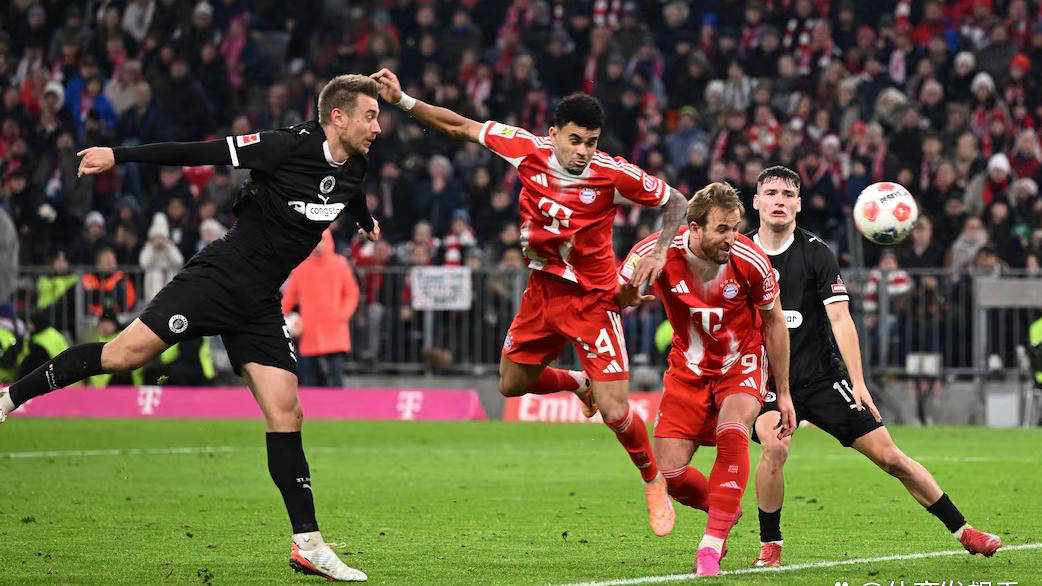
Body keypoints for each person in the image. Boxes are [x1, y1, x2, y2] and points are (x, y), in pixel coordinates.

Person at [0, 73, 383, 582]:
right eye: (370, 116)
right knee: (123, 356)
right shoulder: (284, 147)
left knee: (287, 412)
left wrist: (364, 220)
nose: (378, 127)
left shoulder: (356, 166)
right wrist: (118, 155)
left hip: (259, 302)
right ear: (338, 117)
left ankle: (308, 545)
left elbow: (347, 192)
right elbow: (198, 152)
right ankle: (9, 399)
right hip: (218, 278)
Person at [370, 68, 689, 535]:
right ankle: (576, 382)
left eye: (591, 142)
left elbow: (676, 201)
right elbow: (459, 125)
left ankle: (652, 480)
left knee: (616, 411)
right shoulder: (525, 148)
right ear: (554, 134)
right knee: (511, 384)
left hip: (593, 299)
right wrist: (402, 100)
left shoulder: (613, 173)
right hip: (542, 292)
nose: (583, 151)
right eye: (575, 140)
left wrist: (660, 251)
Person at [746, 166, 1003, 568]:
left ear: (798, 204)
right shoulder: (740, 253)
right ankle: (770, 545)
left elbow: (841, 319)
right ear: (756, 201)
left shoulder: (816, 253)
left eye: (788, 194)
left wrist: (858, 382)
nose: (779, 201)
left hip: (822, 378)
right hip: (765, 382)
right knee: (775, 448)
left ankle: (963, 529)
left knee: (891, 458)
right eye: (771, 193)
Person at [616, 182, 796, 577]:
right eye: (722, 229)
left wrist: (783, 392)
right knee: (669, 475)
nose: (732, 238)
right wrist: (626, 294)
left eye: (736, 228)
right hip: (688, 370)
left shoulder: (751, 260)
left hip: (740, 362)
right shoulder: (656, 253)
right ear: (694, 228)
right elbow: (612, 297)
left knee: (733, 431)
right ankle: (723, 510)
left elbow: (775, 322)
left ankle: (711, 546)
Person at [281, 229, 360, 387]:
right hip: (311, 331)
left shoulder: (340, 264)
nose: (318, 244)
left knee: (335, 379)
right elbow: (289, 299)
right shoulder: (301, 267)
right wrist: (276, 318)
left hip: (334, 329)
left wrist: (342, 315)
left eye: (321, 239)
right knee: (311, 381)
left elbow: (352, 293)